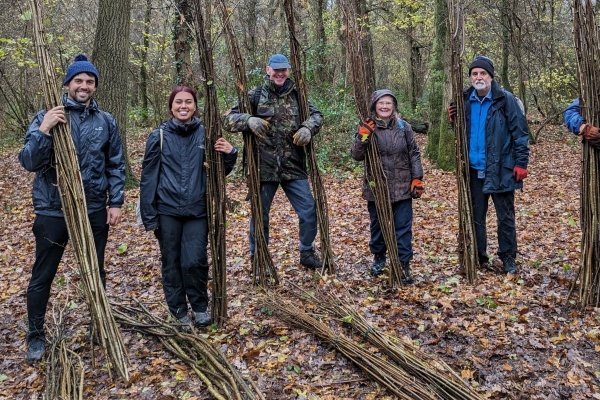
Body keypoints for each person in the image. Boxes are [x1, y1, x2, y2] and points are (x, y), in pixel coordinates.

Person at [18, 54, 125, 363]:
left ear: (95, 87)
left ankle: (99, 325)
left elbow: (115, 164)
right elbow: (29, 162)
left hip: (92, 208)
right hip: (53, 209)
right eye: (79, 80)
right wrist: (45, 129)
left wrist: (115, 201)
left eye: (90, 81)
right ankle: (36, 335)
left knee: (95, 269)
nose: (84, 85)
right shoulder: (47, 115)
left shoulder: (106, 121)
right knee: (43, 274)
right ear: (67, 84)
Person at [139, 86, 238, 328]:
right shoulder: (159, 136)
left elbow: (218, 173)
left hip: (197, 210)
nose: (183, 106)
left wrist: (230, 154)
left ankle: (200, 305)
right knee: (171, 262)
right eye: (178, 102)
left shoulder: (206, 133)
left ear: (195, 106)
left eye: (188, 102)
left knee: (194, 261)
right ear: (171, 106)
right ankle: (178, 311)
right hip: (167, 211)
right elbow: (149, 177)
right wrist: (149, 214)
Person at [223, 53, 323, 269]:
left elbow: (317, 116)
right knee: (261, 216)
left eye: (283, 69)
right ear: (268, 70)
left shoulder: (298, 95)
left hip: (293, 166)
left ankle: (306, 252)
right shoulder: (255, 95)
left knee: (309, 211)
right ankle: (258, 257)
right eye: (275, 69)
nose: (280, 73)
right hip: (262, 167)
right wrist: (248, 120)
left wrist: (308, 128)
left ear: (288, 71)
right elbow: (227, 119)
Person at [448, 55, 530, 274]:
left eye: (483, 73)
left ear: (491, 77)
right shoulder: (464, 99)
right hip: (474, 170)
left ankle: (508, 258)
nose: (478, 77)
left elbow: (520, 134)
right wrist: (453, 122)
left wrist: (521, 163)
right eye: (474, 73)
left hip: (501, 168)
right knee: (476, 216)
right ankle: (479, 256)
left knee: (505, 217)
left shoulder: (506, 100)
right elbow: (462, 134)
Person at [350, 89, 424, 283]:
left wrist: (417, 178)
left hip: (402, 187)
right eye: (381, 103)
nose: (384, 107)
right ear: (375, 105)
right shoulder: (367, 126)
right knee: (378, 227)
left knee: (403, 229)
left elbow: (414, 153)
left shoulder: (404, 127)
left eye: (388, 103)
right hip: (377, 187)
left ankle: (403, 264)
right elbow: (356, 155)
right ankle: (379, 258)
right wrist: (363, 136)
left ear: (394, 107)